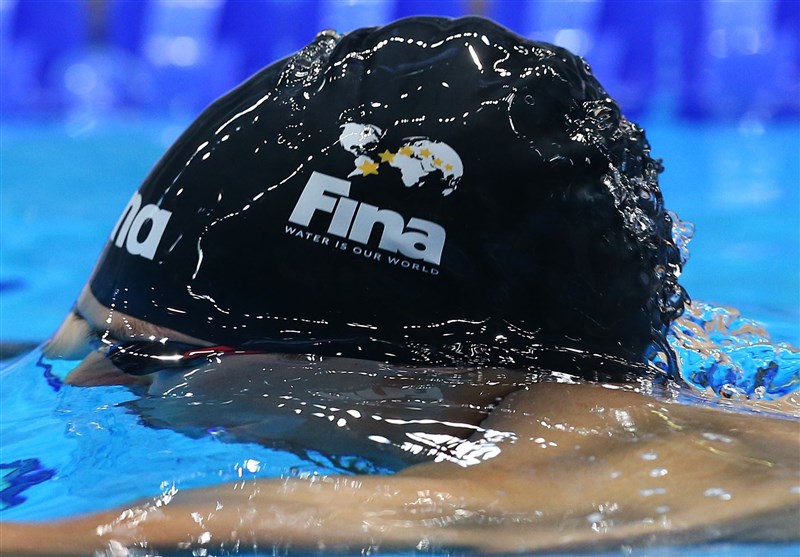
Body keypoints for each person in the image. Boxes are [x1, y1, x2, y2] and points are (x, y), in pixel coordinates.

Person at [1, 17, 798, 554]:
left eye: (146, 359)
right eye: (88, 330)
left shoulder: (625, 450)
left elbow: (421, 514)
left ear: (401, 371)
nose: (83, 379)